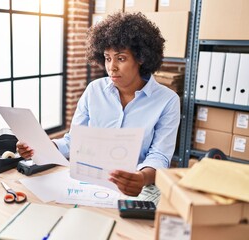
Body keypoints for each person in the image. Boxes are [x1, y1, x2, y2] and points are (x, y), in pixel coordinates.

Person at [17, 12, 180, 196]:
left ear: (141, 58)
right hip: (90, 183)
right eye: (107, 58)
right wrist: (42, 148)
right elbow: (74, 141)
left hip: (138, 186)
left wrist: (141, 177)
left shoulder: (167, 100)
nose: (111, 67)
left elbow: (160, 156)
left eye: (121, 58)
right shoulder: (94, 90)